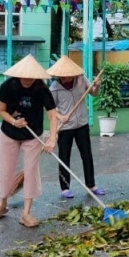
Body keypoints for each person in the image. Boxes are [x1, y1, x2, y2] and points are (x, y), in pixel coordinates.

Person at [0, 55, 59, 228]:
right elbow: (0, 110)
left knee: (31, 171)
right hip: (9, 133)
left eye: (31, 77)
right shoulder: (8, 86)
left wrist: (52, 138)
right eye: (24, 76)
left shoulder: (41, 89)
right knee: (6, 168)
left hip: (33, 135)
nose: (27, 80)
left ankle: (26, 213)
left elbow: (52, 115)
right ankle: (2, 204)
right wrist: (13, 121)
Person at [47, 56, 104, 199]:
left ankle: (91, 185)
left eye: (66, 75)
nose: (63, 78)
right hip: (65, 128)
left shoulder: (81, 80)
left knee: (87, 155)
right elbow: (50, 110)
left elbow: (93, 93)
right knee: (64, 157)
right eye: (61, 75)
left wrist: (97, 85)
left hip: (82, 125)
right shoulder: (54, 88)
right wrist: (61, 117)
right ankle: (65, 188)